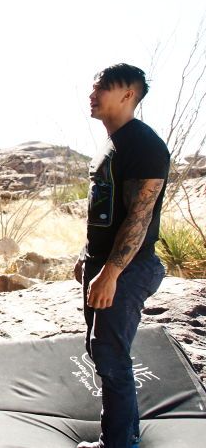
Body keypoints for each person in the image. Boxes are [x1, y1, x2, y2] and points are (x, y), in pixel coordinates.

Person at [75, 64, 170, 448]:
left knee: (111, 358)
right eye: (93, 86)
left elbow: (140, 217)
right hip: (103, 264)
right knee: (100, 351)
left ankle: (116, 443)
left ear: (128, 94)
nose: (92, 94)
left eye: (101, 88)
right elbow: (105, 208)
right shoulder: (111, 143)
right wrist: (87, 256)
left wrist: (111, 273)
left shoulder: (143, 144)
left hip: (129, 267)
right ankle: (124, 434)